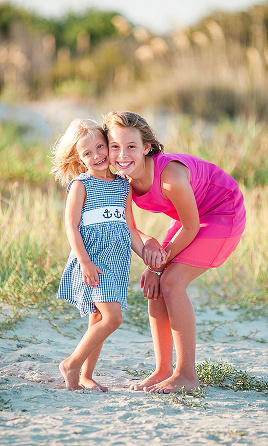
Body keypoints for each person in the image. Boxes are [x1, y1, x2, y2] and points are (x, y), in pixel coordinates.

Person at [104, 111, 246, 394]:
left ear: (146, 147)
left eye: (131, 146)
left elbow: (192, 227)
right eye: (115, 146)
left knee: (171, 282)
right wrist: (151, 246)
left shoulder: (171, 177)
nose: (122, 155)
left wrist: (160, 262)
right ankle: (161, 370)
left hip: (222, 212)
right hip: (187, 220)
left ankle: (186, 375)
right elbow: (129, 228)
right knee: (154, 284)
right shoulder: (123, 180)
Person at [52, 119, 164, 391]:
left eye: (101, 147)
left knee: (98, 319)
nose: (97, 155)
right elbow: (71, 227)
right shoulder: (81, 185)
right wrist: (85, 262)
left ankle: (87, 376)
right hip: (93, 261)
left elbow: (128, 227)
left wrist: (146, 258)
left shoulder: (123, 185)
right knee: (113, 318)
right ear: (78, 158)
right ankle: (71, 364)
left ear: (108, 144)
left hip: (117, 260)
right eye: (87, 153)